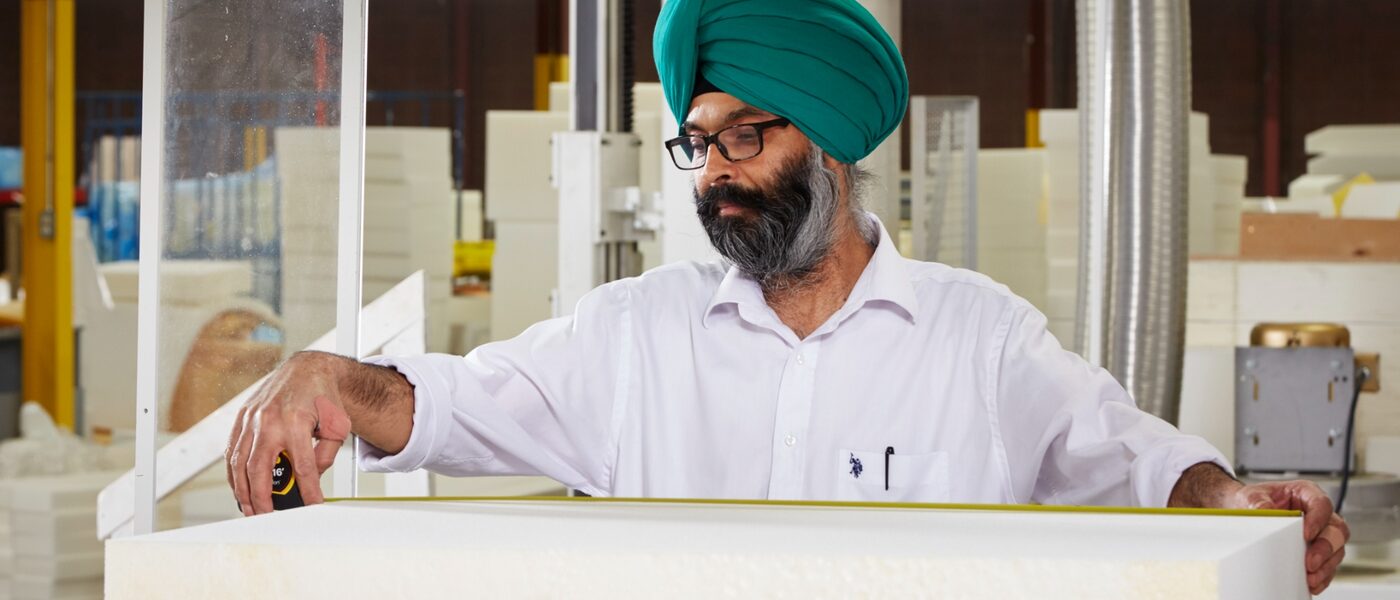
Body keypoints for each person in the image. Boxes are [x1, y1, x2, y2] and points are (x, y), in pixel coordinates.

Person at [225, 0, 1348, 593]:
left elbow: (1138, 463)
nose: (713, 175)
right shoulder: (634, 338)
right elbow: (454, 404)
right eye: (697, 144)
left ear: (835, 147)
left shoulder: (979, 341)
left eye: (744, 137)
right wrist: (330, 379)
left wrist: (1234, 501)